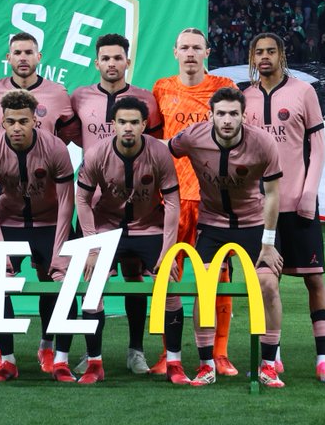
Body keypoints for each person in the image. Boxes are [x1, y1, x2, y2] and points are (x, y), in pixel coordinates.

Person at [169, 87, 285, 388]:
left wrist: (268, 243)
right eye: (221, 113)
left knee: (268, 285)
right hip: (212, 224)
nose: (227, 120)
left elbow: (273, 195)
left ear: (244, 116)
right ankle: (206, 365)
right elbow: (163, 150)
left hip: (254, 223)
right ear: (211, 116)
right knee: (204, 287)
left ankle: (269, 365)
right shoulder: (192, 137)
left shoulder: (263, 143)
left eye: (234, 113)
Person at [0, 31, 75, 372]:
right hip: (10, 220)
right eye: (11, 122)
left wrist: (60, 248)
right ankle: (5, 358)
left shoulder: (55, 146)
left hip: (50, 220)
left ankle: (55, 354)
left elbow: (67, 202)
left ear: (35, 120)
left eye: (24, 121)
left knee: (60, 280)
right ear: (1, 122)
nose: (17, 127)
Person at [244, 32, 325, 383]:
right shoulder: (245, 98)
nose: (264, 57)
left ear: (282, 55)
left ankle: (323, 360)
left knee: (314, 278)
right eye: (259, 52)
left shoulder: (303, 92)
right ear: (252, 57)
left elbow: (319, 147)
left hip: (298, 202)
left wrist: (309, 193)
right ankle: (274, 355)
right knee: (267, 281)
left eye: (271, 51)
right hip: (260, 208)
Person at [76, 97, 189, 385]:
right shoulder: (97, 154)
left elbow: (172, 203)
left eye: (134, 122)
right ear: (113, 124)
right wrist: (92, 246)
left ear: (144, 125)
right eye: (123, 122)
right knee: (92, 288)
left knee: (169, 287)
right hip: (107, 228)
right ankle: (94, 363)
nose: (128, 127)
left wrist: (168, 252)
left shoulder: (159, 153)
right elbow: (82, 199)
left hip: (148, 227)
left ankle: (171, 363)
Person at [70, 33, 162, 375]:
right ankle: (91, 354)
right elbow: (67, 134)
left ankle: (135, 351)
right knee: (92, 282)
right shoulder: (80, 98)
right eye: (105, 58)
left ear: (127, 61)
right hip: (94, 209)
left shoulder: (146, 100)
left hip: (139, 210)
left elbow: (155, 145)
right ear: (96, 62)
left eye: (117, 57)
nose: (111, 63)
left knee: (134, 280)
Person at [151, 27, 237, 376]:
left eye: (196, 48)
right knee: (167, 276)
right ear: (175, 52)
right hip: (172, 198)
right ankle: (167, 354)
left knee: (217, 277)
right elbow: (155, 141)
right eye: (184, 47)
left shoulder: (223, 88)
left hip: (212, 200)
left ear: (207, 52)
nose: (190, 53)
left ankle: (219, 353)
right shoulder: (161, 88)